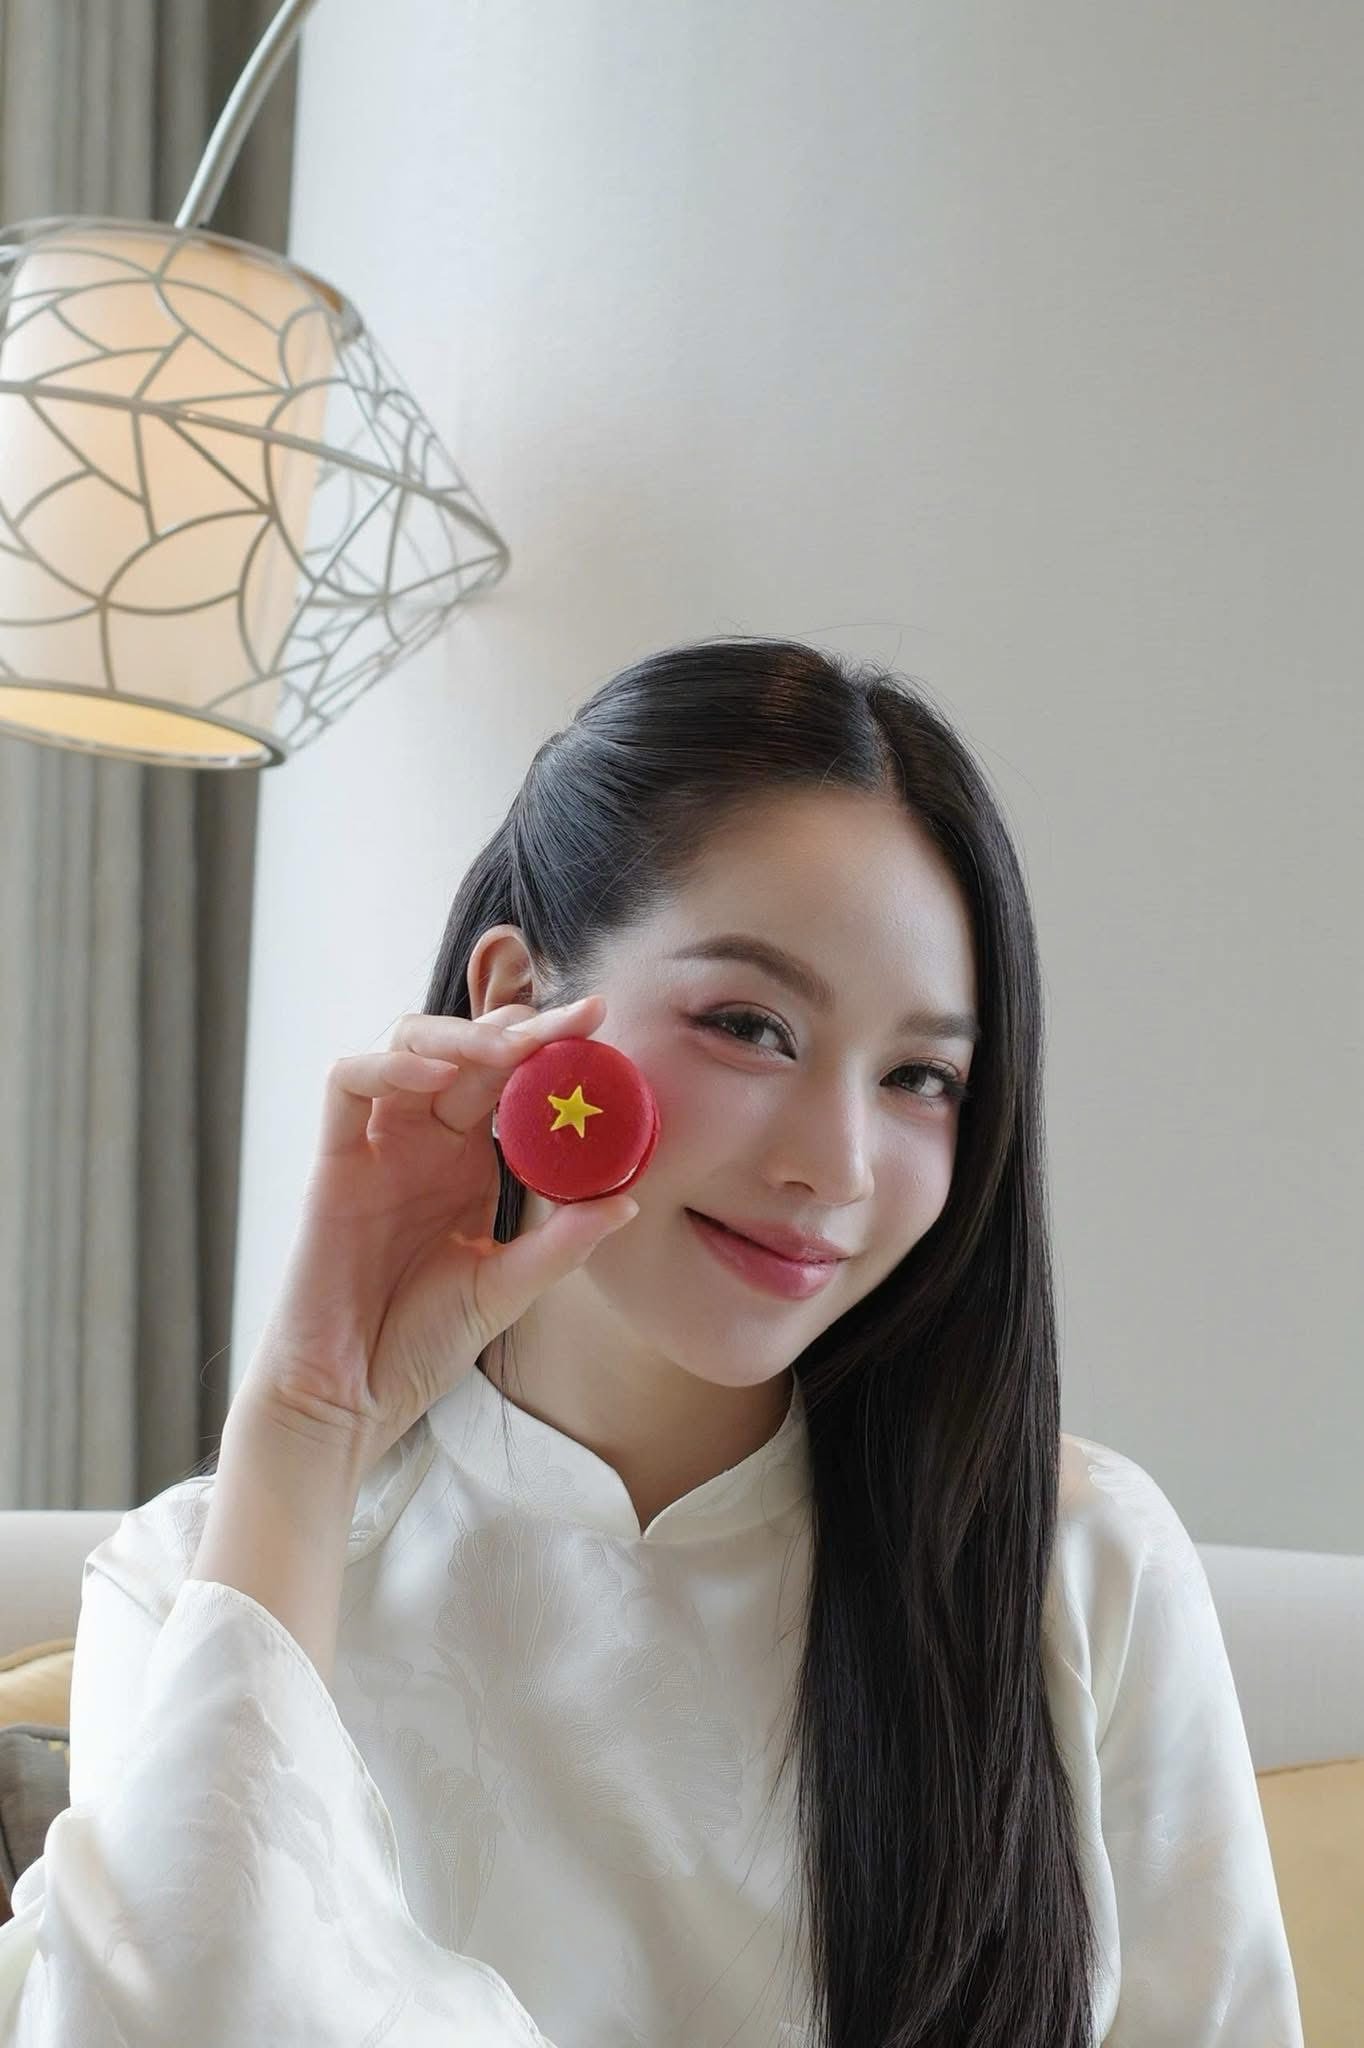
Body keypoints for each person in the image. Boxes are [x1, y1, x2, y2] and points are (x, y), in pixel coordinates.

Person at [0, 636, 1304, 2045]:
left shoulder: (1073, 1563)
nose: (835, 1165)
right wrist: (308, 1421)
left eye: (920, 1077)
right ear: (518, 1005)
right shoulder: (203, 1583)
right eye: (751, 1026)